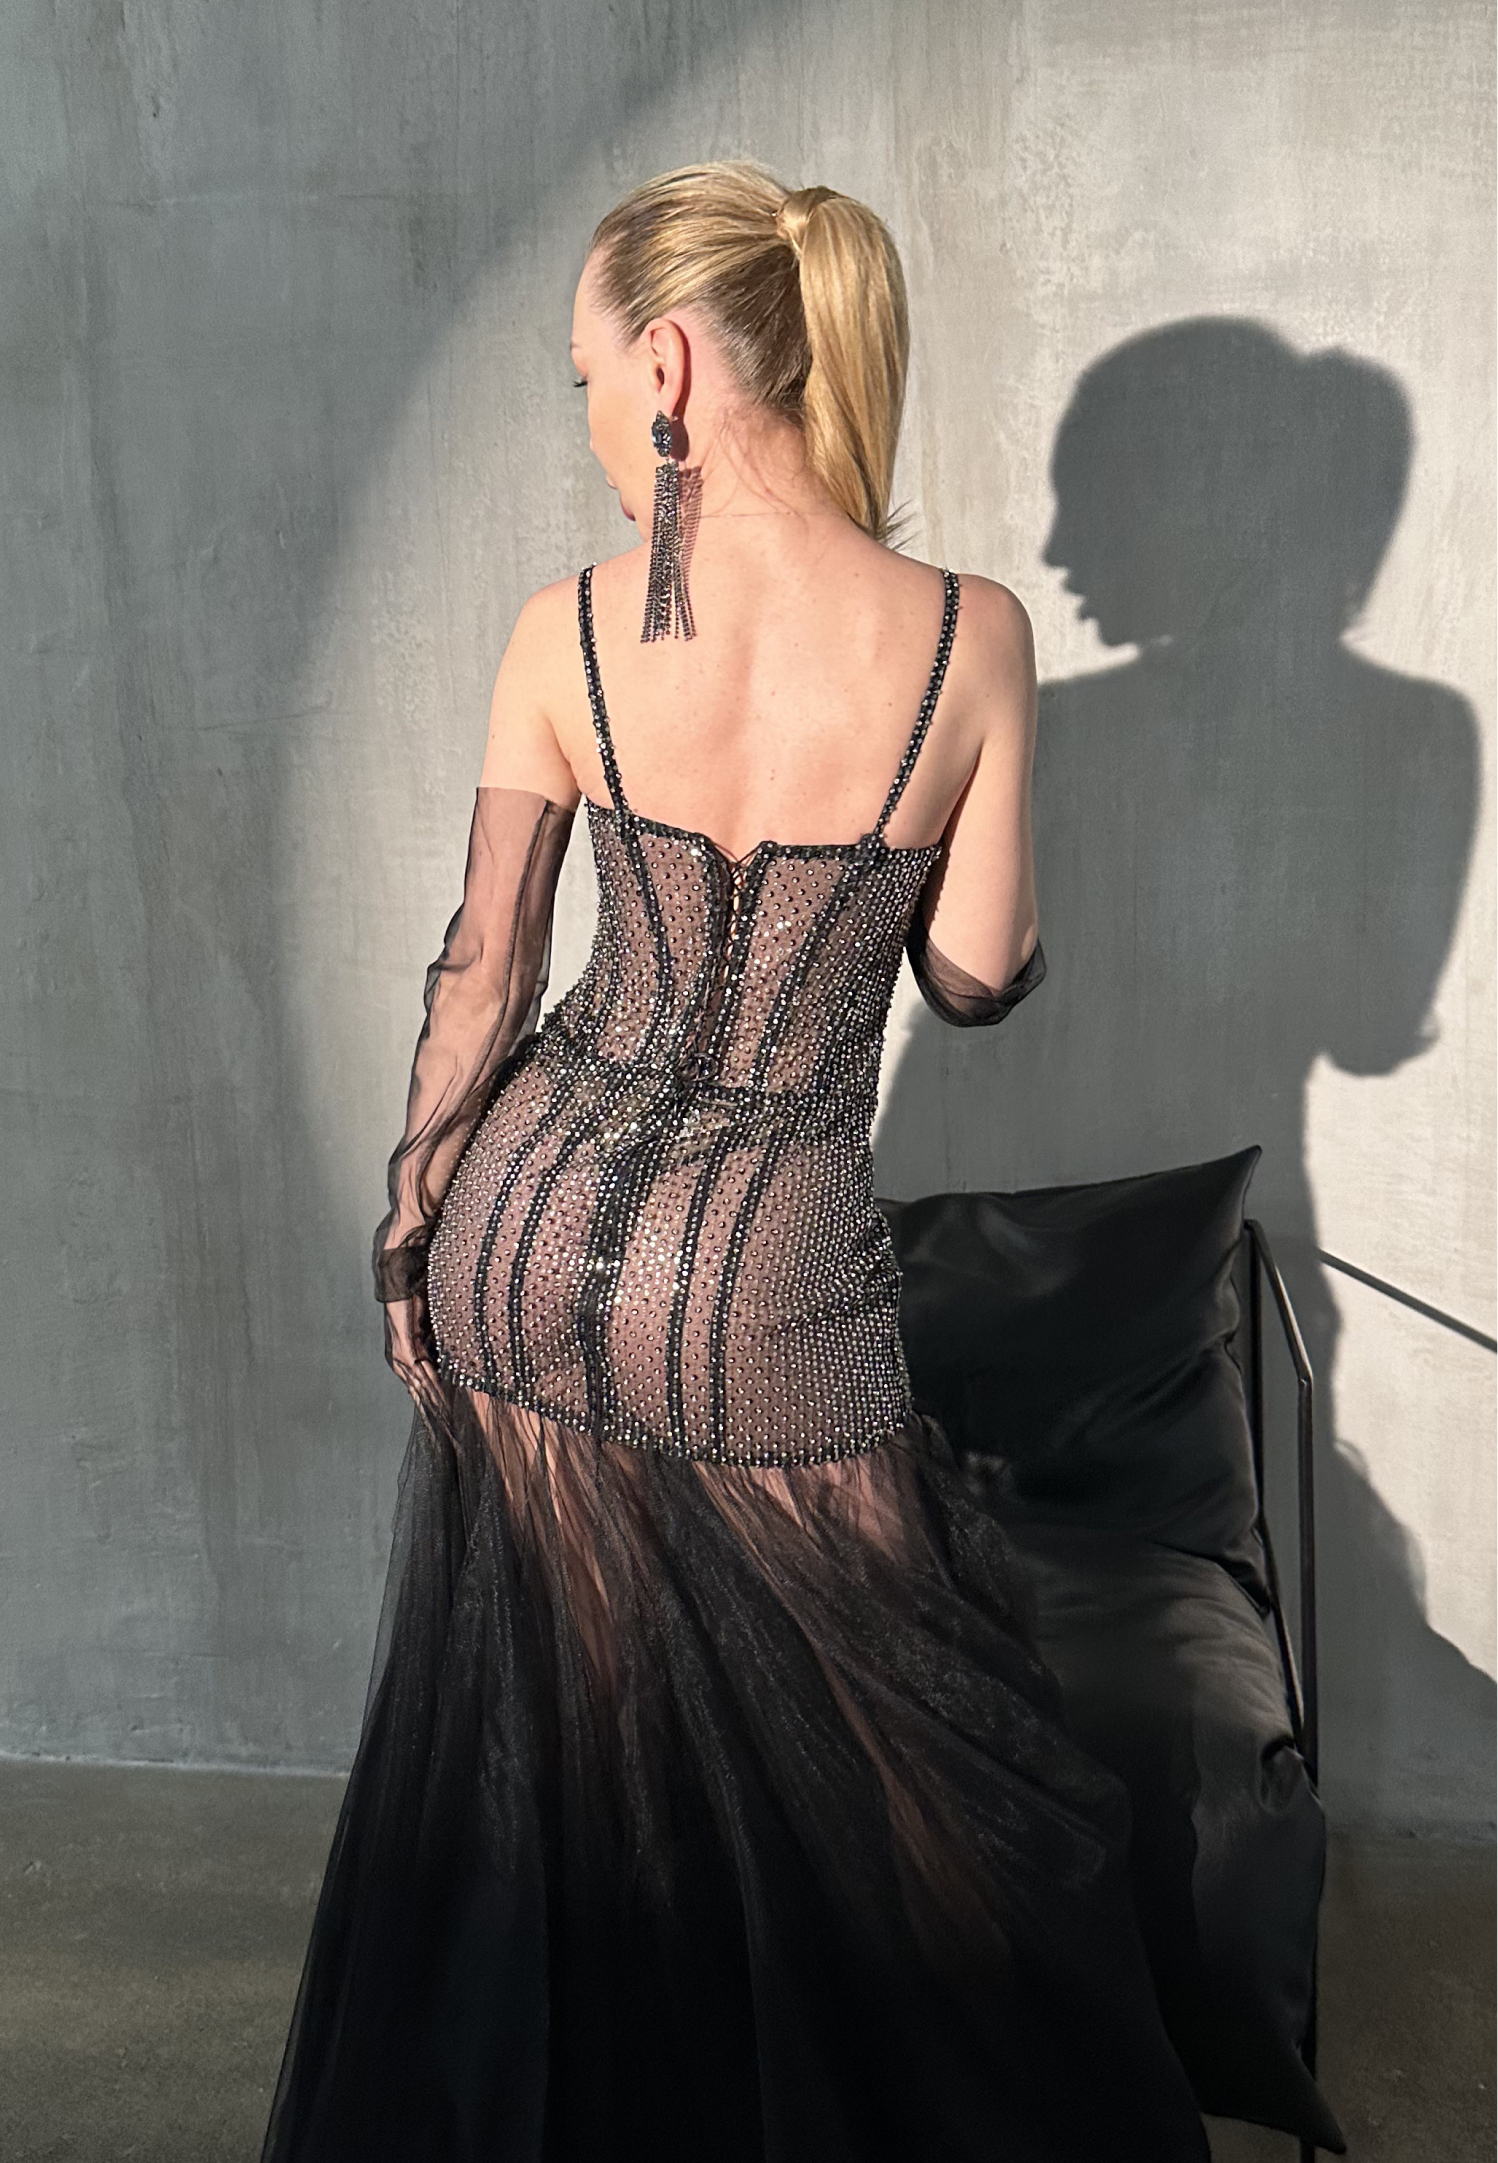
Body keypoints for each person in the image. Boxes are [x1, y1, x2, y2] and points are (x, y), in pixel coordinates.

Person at [261, 161, 1209, 2163]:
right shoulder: (967, 636)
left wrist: (411, 1225)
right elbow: (973, 977)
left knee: (577, 1786)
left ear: (673, 364)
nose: (592, 421)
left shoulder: (563, 631)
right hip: (763, 1275)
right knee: (906, 1785)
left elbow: (485, 972)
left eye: (587, 377)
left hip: (519, 1241)